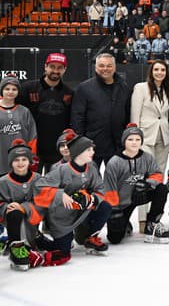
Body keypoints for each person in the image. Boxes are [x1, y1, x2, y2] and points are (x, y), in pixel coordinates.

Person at [32, 135, 112, 264]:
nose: (93, 152)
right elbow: (39, 186)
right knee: (63, 251)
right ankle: (38, 240)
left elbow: (100, 188)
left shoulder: (91, 168)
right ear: (79, 152)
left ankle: (90, 237)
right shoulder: (61, 170)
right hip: (62, 218)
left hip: (81, 213)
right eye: (89, 150)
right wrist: (60, 194)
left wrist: (92, 198)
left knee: (105, 206)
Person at [103, 124, 169, 244]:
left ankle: (152, 224)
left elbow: (157, 174)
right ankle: (124, 223)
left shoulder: (147, 157)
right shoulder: (114, 162)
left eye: (137, 140)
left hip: (140, 195)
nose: (134, 143)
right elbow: (109, 188)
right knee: (114, 239)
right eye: (130, 139)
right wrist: (115, 210)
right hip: (121, 204)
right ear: (124, 141)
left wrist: (146, 184)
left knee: (161, 189)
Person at [129, 60, 169, 228]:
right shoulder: (140, 88)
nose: (160, 72)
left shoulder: (167, 90)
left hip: (163, 138)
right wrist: (134, 139)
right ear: (151, 71)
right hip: (145, 138)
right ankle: (142, 220)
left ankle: (154, 217)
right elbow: (135, 115)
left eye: (163, 70)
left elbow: (165, 117)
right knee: (145, 178)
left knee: (159, 178)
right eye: (156, 69)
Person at [16, 53, 74, 173]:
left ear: (65, 69)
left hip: (57, 150)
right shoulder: (28, 88)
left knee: (53, 187)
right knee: (32, 184)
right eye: (52, 66)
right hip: (33, 147)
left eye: (60, 68)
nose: (55, 71)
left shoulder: (69, 92)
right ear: (45, 67)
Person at [70, 53, 131, 165]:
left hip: (116, 146)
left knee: (116, 181)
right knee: (90, 181)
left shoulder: (124, 87)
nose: (105, 69)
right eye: (101, 66)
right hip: (91, 146)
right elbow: (77, 118)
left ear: (114, 67)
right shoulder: (84, 88)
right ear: (96, 67)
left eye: (109, 66)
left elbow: (127, 115)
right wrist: (80, 143)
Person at [0, 140, 43, 270]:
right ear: (11, 162)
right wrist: (7, 207)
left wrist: (23, 207)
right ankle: (16, 248)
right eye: (16, 160)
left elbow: (41, 201)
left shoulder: (38, 178)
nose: (20, 163)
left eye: (24, 159)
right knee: (14, 212)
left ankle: (35, 237)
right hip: (11, 219)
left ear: (29, 161)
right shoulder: (3, 181)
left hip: (32, 217)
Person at [0, 77, 37, 172]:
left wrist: (31, 156)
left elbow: (32, 136)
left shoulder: (24, 111)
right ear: (1, 90)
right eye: (7, 89)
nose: (10, 92)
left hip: (20, 159)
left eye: (14, 89)